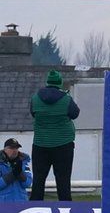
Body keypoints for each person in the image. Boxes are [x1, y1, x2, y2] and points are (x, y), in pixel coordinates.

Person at [29, 70, 79, 201]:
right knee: (63, 181)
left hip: (40, 145)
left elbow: (33, 113)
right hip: (63, 145)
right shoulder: (66, 99)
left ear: (47, 82)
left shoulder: (35, 98)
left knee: (38, 181)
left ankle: (34, 208)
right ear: (59, 83)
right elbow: (75, 114)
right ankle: (66, 210)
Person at [0, 138, 32, 202]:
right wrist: (13, 174)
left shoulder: (23, 162)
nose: (15, 150)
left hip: (21, 203)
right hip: (3, 204)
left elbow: (28, 183)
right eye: (11, 148)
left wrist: (20, 173)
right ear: (5, 149)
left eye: (16, 148)